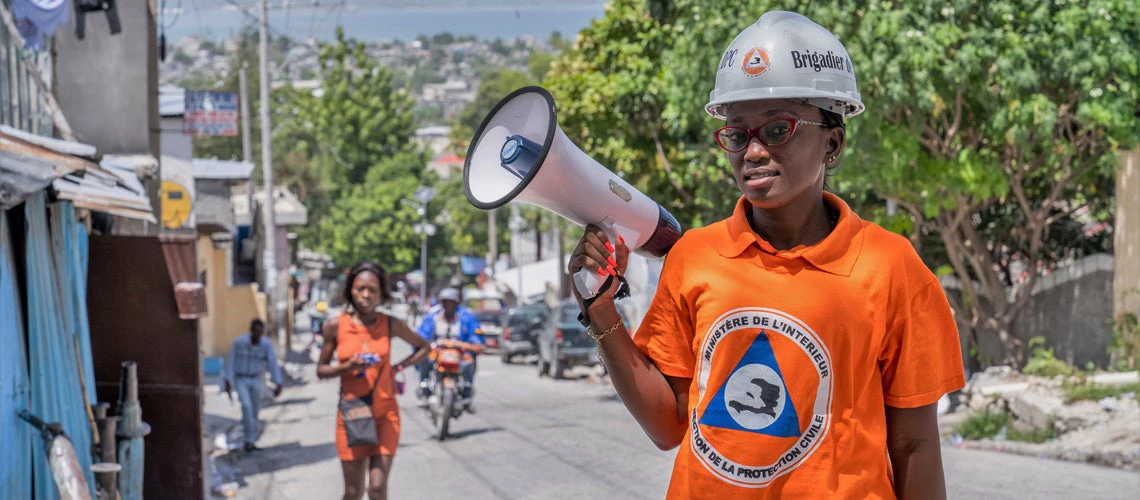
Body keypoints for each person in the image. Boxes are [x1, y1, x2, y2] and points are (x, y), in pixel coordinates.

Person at [568, 11, 965, 499]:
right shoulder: (694, 256)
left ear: (832, 142)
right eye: (737, 135)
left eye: (777, 130)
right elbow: (667, 426)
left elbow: (915, 445)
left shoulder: (891, 265)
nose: (752, 152)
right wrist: (601, 309)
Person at [316, 262, 430, 500]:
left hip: (385, 416)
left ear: (381, 294)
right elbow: (321, 370)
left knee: (377, 488)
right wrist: (346, 368)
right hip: (352, 414)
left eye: (372, 290)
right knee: (352, 492)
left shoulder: (390, 324)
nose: (366, 295)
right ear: (350, 291)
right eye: (360, 289)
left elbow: (424, 347)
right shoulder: (336, 326)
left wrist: (398, 367)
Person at [415, 287, 484, 408]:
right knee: (424, 360)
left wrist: (476, 343)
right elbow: (422, 334)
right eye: (445, 302)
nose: (448, 305)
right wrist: (421, 344)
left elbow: (475, 333)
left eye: (451, 302)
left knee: (469, 363)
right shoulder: (433, 316)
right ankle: (425, 391)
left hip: (459, 353)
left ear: (456, 303)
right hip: (436, 352)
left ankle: (466, 395)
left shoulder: (466, 316)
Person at [223, 318, 283, 452]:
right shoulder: (240, 342)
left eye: (260, 332)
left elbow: (272, 363)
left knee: (254, 410)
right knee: (246, 406)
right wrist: (227, 379)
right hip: (241, 378)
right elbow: (231, 360)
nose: (257, 334)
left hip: (256, 378)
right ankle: (248, 440)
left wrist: (277, 381)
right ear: (251, 331)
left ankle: (251, 439)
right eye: (255, 331)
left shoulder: (266, 345)